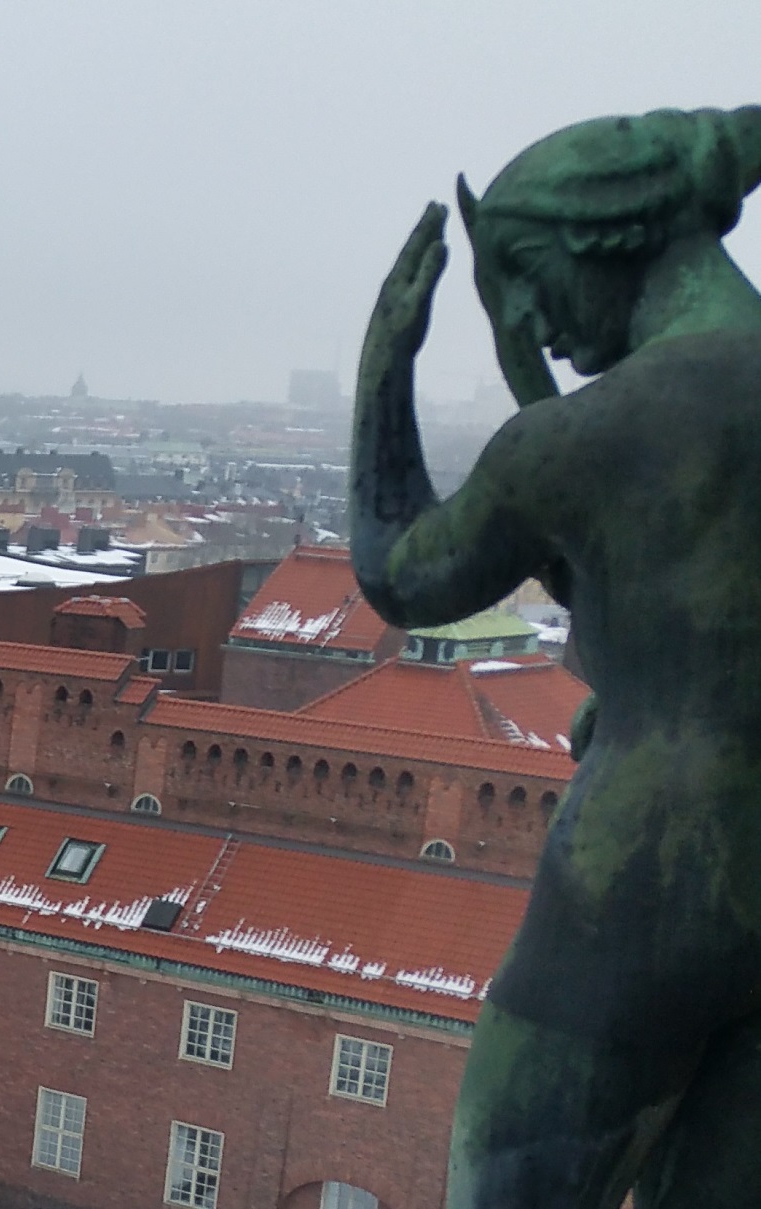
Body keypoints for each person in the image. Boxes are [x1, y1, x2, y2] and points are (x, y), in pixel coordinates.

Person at [348, 106, 761, 1207]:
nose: (531, 323)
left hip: (642, 881)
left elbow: (404, 573)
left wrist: (383, 376)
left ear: (607, 236)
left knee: (509, 1185)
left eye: (525, 277)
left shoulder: (586, 439)